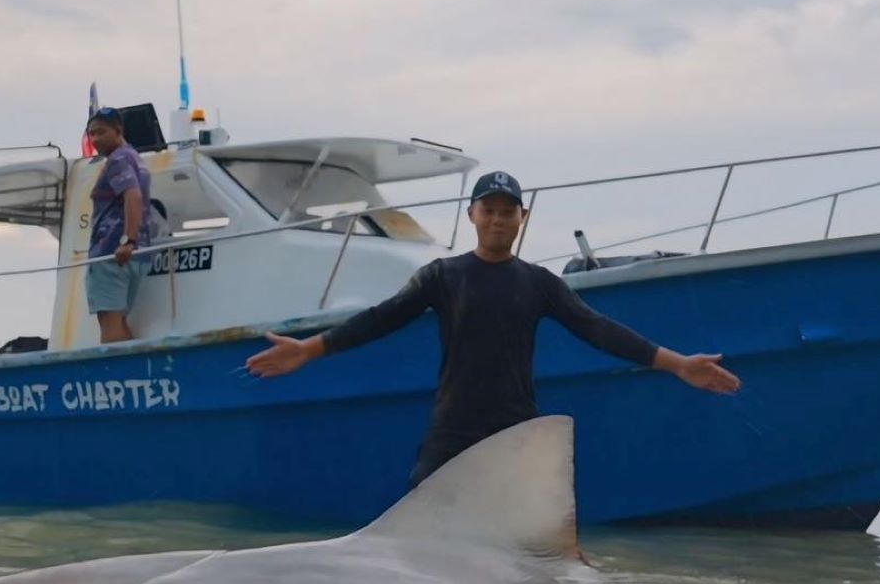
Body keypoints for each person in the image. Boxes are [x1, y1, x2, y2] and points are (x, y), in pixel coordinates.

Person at [246, 170, 742, 487]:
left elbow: (597, 329)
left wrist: (677, 364)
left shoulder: (539, 283)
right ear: (473, 216)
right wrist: (309, 350)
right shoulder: (444, 276)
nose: (499, 220)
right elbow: (382, 318)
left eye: (509, 212)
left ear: (522, 218)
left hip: (514, 428)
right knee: (423, 538)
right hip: (453, 429)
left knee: (527, 550)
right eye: (490, 211)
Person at [84, 108, 154, 343]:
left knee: (110, 324)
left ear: (118, 130)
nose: (95, 140)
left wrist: (128, 240)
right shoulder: (136, 158)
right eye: (91, 134)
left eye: (101, 132)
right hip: (137, 254)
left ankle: (110, 375)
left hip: (111, 252)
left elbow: (132, 195)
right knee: (120, 320)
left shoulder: (118, 159)